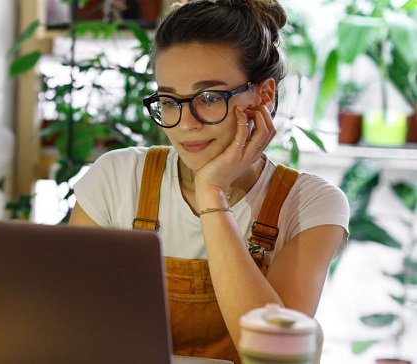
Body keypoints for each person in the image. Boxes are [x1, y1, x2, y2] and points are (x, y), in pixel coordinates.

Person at [68, 1, 350, 363]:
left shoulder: (310, 204)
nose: (186, 123)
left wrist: (211, 193)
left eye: (209, 97)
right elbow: (71, 326)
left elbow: (276, 359)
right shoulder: (118, 177)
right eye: (170, 100)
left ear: (263, 95)